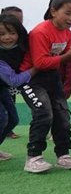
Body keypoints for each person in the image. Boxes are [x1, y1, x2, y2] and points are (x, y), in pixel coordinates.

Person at [19, 0, 71, 173]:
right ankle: (33, 157)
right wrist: (66, 57)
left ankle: (63, 155)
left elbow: (63, 60)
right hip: (31, 78)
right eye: (68, 13)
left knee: (62, 115)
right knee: (43, 113)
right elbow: (39, 62)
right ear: (53, 11)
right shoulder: (40, 32)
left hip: (51, 77)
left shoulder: (67, 33)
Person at [0, 14, 37, 161]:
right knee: (2, 118)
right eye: (2, 34)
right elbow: (13, 81)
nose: (7, 37)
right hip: (5, 84)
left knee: (13, 119)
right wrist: (36, 68)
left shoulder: (21, 46)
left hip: (1, 88)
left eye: (12, 33)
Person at [2, 6, 24, 140]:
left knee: (12, 119)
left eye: (19, 21)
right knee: (2, 118)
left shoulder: (21, 39)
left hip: (5, 86)